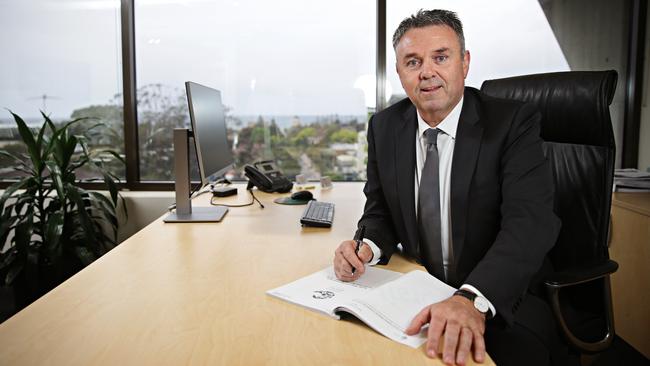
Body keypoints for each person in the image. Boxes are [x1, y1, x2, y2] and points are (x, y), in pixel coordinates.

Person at [333, 9, 568, 366]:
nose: (427, 71)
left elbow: (530, 223)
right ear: (399, 72)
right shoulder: (385, 127)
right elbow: (380, 209)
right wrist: (365, 247)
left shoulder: (512, 123)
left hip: (499, 293)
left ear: (465, 63)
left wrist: (471, 298)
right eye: (413, 62)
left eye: (440, 57)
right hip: (419, 289)